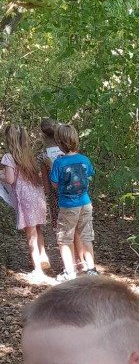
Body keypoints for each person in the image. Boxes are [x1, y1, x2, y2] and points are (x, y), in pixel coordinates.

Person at [0, 122, 50, 282]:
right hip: (38, 196)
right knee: (38, 229)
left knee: (30, 235)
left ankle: (38, 270)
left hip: (25, 199)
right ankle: (43, 257)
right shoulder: (28, 156)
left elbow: (10, 179)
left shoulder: (8, 157)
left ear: (9, 139)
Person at [38, 117, 87, 273]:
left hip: (59, 199)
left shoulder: (43, 157)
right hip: (78, 197)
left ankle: (70, 267)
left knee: (65, 233)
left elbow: (47, 186)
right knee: (77, 230)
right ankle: (81, 261)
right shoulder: (72, 152)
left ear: (43, 136)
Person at [50, 123, 97, 281]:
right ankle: (91, 269)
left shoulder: (59, 162)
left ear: (59, 143)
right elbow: (89, 175)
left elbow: (54, 183)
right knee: (86, 236)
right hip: (85, 203)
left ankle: (70, 272)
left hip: (68, 205)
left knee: (65, 238)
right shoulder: (84, 159)